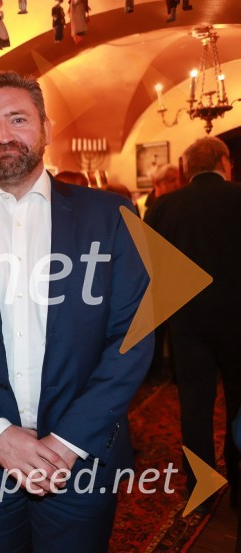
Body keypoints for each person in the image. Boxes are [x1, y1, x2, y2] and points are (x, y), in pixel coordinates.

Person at [0, 71, 153, 552]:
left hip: (83, 455)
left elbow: (133, 335)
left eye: (17, 119)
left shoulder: (110, 217)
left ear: (45, 126)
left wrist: (66, 444)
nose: (2, 135)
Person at [146, 136, 241, 506]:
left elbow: (151, 265)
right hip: (238, 319)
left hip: (186, 323)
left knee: (195, 407)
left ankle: (199, 489)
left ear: (186, 168)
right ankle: (238, 485)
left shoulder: (164, 206)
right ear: (223, 160)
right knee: (239, 402)